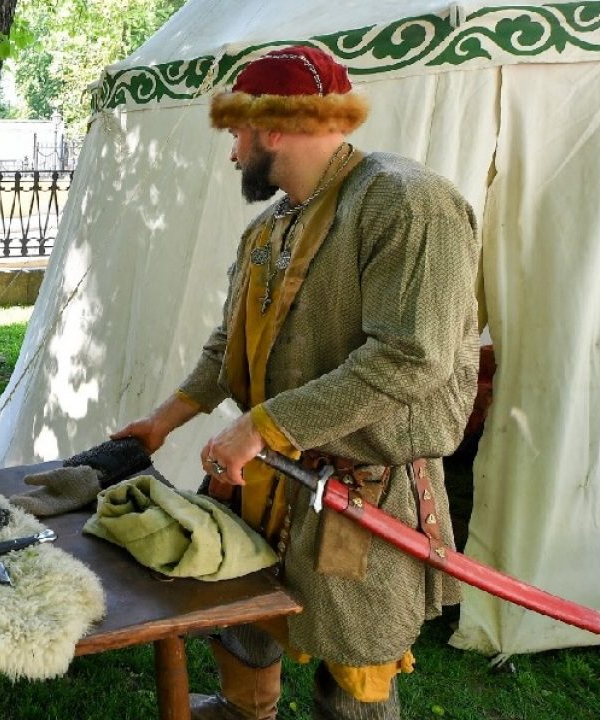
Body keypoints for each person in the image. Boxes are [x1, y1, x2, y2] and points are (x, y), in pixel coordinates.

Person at [112, 46, 480, 719]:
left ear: (273, 127)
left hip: (361, 494)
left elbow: (410, 357)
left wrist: (259, 425)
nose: (232, 156)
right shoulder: (271, 226)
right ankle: (245, 709)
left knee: (355, 664)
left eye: (237, 136)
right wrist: (167, 418)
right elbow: (232, 347)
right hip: (270, 475)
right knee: (242, 613)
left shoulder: (408, 204)